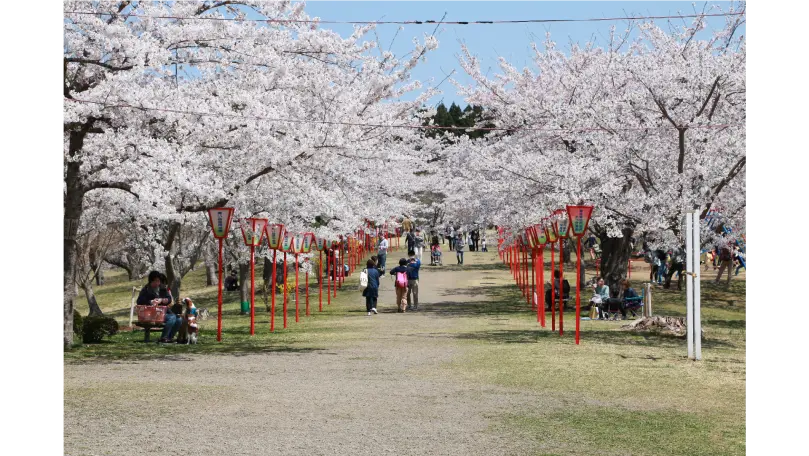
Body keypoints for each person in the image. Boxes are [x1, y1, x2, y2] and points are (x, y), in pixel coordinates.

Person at [137, 270, 181, 343]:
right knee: (172, 317)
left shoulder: (162, 288)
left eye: (159, 281)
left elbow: (169, 299)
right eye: (156, 281)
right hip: (152, 314)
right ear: (151, 281)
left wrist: (162, 300)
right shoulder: (146, 290)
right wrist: (150, 302)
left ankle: (169, 338)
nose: (158, 283)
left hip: (163, 312)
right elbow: (139, 301)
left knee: (179, 320)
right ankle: (164, 338)